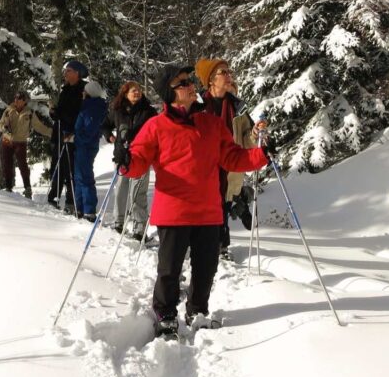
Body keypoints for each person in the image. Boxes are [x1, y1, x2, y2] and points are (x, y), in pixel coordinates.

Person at [117, 65, 271, 339]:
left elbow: (233, 158)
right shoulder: (156, 126)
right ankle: (165, 314)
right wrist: (126, 161)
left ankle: (197, 311)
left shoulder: (211, 124)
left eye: (189, 81)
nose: (190, 85)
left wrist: (261, 155)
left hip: (208, 211)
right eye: (182, 83)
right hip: (173, 211)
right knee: (169, 270)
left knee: (206, 268)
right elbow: (138, 163)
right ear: (170, 94)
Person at [196, 58, 259, 260]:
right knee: (204, 206)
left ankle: (221, 246)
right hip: (204, 165)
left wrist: (255, 134)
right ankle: (198, 244)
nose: (228, 74)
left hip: (228, 165)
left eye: (228, 70)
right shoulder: (198, 105)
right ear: (211, 80)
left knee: (222, 203)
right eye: (223, 71)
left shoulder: (237, 107)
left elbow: (247, 140)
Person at [102, 81, 157, 240]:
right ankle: (118, 222)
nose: (137, 93)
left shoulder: (148, 111)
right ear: (125, 93)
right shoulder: (118, 110)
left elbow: (157, 131)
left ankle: (139, 229)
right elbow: (105, 125)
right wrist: (109, 136)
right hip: (121, 155)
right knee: (121, 189)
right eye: (134, 91)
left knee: (138, 192)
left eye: (139, 90)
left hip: (141, 156)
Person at [48, 60, 87, 212]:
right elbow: (63, 112)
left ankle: (71, 200)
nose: (65, 73)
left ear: (77, 73)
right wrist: (55, 113)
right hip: (59, 133)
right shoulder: (65, 89)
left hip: (72, 134)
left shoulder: (82, 90)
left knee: (70, 167)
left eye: (68, 71)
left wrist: (60, 114)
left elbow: (78, 113)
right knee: (57, 165)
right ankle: (54, 196)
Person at [0, 91, 52, 198]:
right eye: (15, 98)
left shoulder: (29, 113)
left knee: (23, 165)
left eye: (19, 98)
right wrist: (3, 128)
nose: (16, 100)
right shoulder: (9, 110)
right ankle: (8, 186)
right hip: (7, 141)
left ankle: (27, 187)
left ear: (24, 101)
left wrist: (52, 133)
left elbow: (39, 126)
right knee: (7, 164)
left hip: (20, 142)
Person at [72, 80, 107, 221]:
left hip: (85, 146)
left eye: (85, 91)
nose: (82, 93)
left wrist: (77, 137)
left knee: (85, 177)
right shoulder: (89, 106)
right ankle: (79, 207)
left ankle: (89, 210)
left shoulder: (92, 107)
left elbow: (89, 131)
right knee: (79, 176)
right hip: (82, 145)